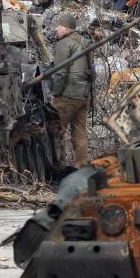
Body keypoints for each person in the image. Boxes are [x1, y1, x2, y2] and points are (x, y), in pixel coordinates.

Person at [48, 12, 91, 166]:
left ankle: (59, 167)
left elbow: (60, 72)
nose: (56, 30)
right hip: (83, 95)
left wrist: (55, 93)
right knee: (80, 134)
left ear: (65, 27)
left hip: (67, 95)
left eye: (58, 26)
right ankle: (81, 167)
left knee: (57, 132)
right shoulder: (84, 42)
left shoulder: (63, 44)